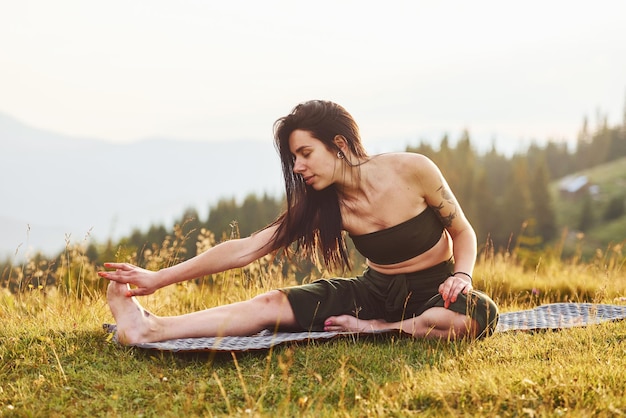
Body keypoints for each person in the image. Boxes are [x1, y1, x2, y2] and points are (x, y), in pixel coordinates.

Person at [100, 100, 499, 345]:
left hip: (437, 293)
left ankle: (376, 329)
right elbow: (246, 248)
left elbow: (462, 231)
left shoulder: (413, 170)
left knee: (477, 315)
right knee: (270, 303)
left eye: (305, 153)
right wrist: (158, 278)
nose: (298, 166)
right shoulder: (321, 207)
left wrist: (462, 277)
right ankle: (150, 329)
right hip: (373, 292)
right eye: (294, 158)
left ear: (339, 145)